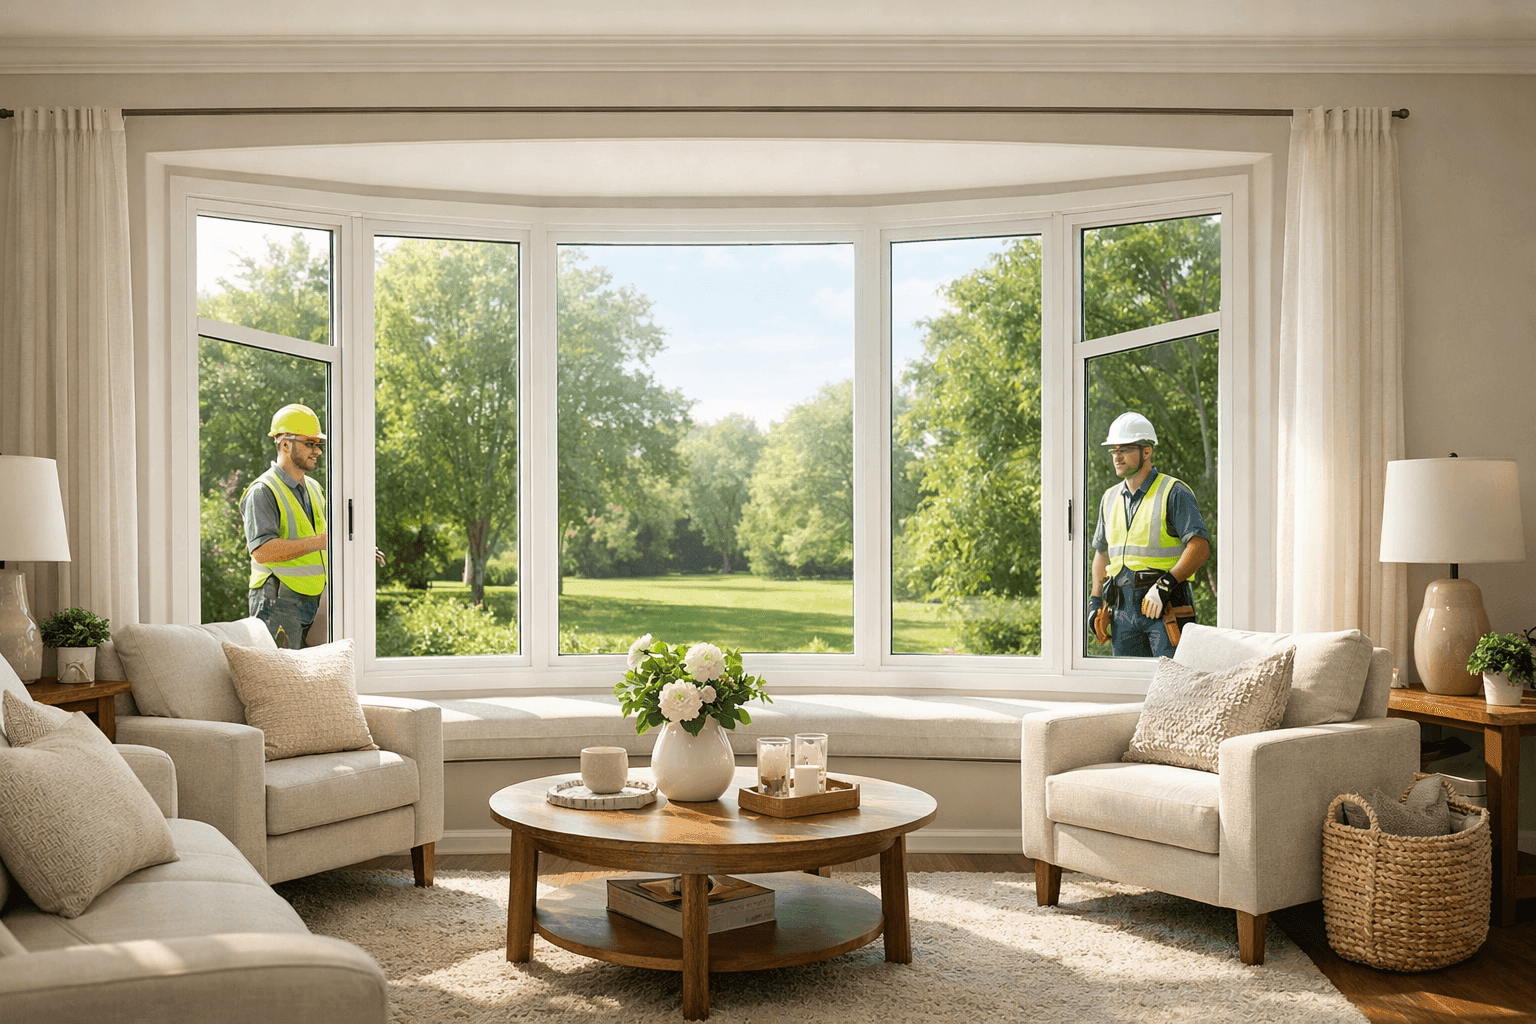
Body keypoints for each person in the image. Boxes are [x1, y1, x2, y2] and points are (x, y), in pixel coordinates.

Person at [1086, 412, 1210, 658]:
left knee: (1171, 683)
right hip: (1122, 609)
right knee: (1128, 684)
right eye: (1113, 450)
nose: (1117, 456)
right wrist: (1095, 600)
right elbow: (1101, 553)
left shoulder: (1173, 492)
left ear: (1147, 451)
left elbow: (1200, 546)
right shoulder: (1109, 498)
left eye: (1125, 449)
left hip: (1165, 603)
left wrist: (1165, 585)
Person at [242, 404, 328, 649]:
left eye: (317, 444)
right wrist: (321, 542)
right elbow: (262, 551)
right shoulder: (263, 491)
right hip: (277, 598)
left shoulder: (313, 488)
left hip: (311, 597)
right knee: (279, 676)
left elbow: (325, 535)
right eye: (309, 444)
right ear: (285, 444)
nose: (317, 451)